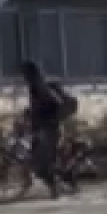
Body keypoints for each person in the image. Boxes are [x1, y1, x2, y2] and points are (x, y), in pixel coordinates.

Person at [21, 61, 76, 198]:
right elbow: (40, 106)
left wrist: (46, 119)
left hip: (48, 128)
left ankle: (56, 189)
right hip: (43, 127)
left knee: (43, 163)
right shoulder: (35, 86)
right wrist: (30, 113)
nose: (24, 78)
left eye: (25, 74)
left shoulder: (40, 86)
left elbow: (54, 103)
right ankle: (57, 186)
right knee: (38, 160)